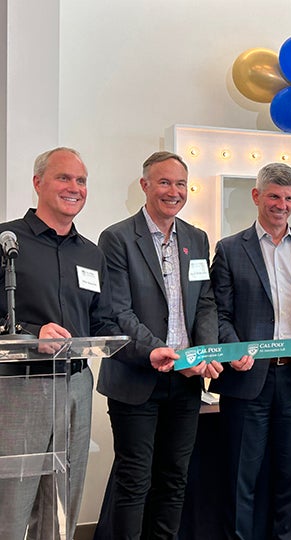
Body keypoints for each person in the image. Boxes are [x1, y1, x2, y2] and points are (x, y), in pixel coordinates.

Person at [93, 151, 222, 540]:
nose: (174, 191)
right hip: (136, 379)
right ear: (145, 185)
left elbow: (206, 302)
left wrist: (205, 353)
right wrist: (163, 353)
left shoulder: (197, 238)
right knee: (134, 481)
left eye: (180, 184)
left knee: (174, 478)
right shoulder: (117, 238)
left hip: (184, 382)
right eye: (164, 182)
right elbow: (118, 311)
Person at [209, 162, 291, 540]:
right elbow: (219, 311)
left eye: (288, 198)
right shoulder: (230, 249)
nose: (281, 205)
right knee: (240, 480)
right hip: (248, 380)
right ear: (256, 197)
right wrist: (233, 348)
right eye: (274, 197)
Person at [0, 147, 122, 540]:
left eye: (81, 180)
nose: (75, 188)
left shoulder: (91, 253)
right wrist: (34, 336)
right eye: (64, 178)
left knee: (63, 501)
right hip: (21, 386)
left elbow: (100, 319)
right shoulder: (7, 242)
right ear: (38, 183)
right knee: (11, 502)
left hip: (76, 386)